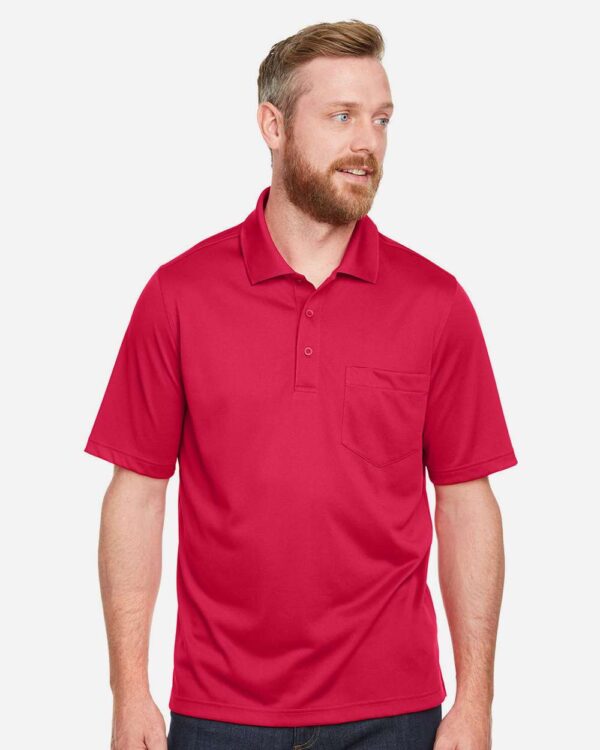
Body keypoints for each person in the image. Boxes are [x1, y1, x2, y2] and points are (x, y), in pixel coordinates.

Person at [84, 19, 518, 750]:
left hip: (395, 712)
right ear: (273, 126)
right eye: (341, 116)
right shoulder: (179, 295)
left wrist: (476, 701)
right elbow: (137, 496)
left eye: (381, 119)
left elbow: (467, 503)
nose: (367, 142)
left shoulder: (436, 302)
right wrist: (129, 693)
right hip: (220, 713)